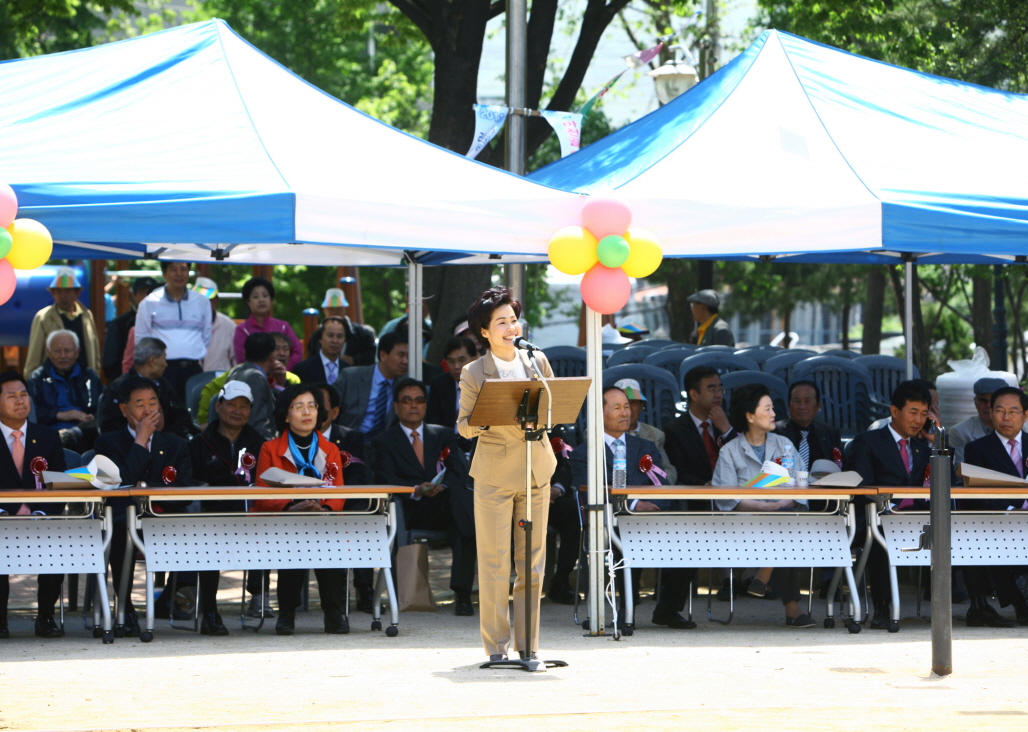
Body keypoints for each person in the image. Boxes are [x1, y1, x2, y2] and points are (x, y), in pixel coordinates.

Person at [457, 286, 557, 662]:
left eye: (513, 320)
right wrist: (491, 414)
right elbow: (464, 426)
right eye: (501, 322)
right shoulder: (473, 372)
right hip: (495, 476)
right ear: (484, 331)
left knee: (532, 564)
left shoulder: (537, 360)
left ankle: (529, 646)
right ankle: (495, 648)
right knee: (496, 564)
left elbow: (555, 410)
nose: (510, 327)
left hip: (536, 472)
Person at [570, 387, 695, 630]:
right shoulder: (585, 453)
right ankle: (623, 613)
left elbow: (662, 484)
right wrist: (635, 504)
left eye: (626, 407)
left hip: (650, 519)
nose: (625, 413)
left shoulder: (645, 447)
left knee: (689, 542)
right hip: (607, 522)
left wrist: (654, 506)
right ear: (599, 413)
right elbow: (589, 492)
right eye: (616, 408)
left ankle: (667, 610)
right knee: (625, 541)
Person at [94, 376, 195, 636]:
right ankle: (124, 607)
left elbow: (184, 494)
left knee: (200, 530)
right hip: (123, 520)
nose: (149, 410)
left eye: (153, 402)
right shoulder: (108, 443)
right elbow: (118, 485)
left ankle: (181, 603)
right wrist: (140, 442)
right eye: (140, 404)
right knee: (119, 530)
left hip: (162, 519)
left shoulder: (176, 444)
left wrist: (146, 491)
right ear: (124, 410)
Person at [711, 383, 813, 627]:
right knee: (786, 525)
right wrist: (762, 506)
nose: (773, 414)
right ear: (749, 416)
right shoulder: (730, 451)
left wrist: (782, 502)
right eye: (767, 409)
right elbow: (725, 498)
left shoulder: (784, 444)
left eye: (773, 408)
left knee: (785, 520)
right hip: (743, 525)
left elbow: (800, 483)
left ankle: (763, 573)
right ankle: (791, 608)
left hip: (782, 516)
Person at [371, 378, 476, 617]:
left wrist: (443, 486)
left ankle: (462, 595)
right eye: (407, 401)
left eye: (419, 400)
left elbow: (458, 472)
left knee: (458, 509)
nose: (414, 406)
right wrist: (417, 489)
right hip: (411, 509)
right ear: (396, 406)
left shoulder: (443, 435)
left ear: (426, 405)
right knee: (465, 516)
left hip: (444, 505)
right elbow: (385, 479)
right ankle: (478, 527)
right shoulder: (383, 442)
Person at [252, 385, 349, 636]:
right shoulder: (269, 449)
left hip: (323, 518)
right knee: (294, 537)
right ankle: (286, 612)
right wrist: (291, 506)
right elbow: (261, 494)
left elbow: (338, 492)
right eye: (299, 406)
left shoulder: (331, 449)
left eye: (312, 406)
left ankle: (333, 612)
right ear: (286, 415)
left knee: (327, 538)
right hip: (284, 520)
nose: (307, 412)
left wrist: (323, 508)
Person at [845, 380, 936, 630]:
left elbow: (942, 482)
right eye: (913, 412)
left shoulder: (923, 447)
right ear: (894, 411)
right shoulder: (869, 441)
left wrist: (937, 443)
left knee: (957, 529)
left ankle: (975, 605)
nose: (918, 420)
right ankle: (883, 608)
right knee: (881, 533)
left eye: (923, 414)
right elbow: (861, 488)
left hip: (915, 518)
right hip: (873, 517)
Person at [188, 381, 266, 635]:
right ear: (218, 406)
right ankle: (209, 611)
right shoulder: (199, 443)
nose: (237, 410)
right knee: (207, 537)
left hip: (251, 516)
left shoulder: (260, 443)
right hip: (211, 516)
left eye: (244, 406)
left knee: (270, 527)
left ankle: (263, 598)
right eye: (231, 404)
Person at [0, 371, 68, 639]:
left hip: (41, 519)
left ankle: (46, 618)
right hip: (1, 519)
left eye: (24, 395)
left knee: (58, 543)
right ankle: (0, 621)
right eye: (12, 396)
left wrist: (41, 512)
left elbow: (59, 482)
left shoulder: (48, 437)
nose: (20, 401)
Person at [959, 385, 1028, 627]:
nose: (1006, 417)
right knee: (981, 536)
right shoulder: (977, 449)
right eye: (1000, 410)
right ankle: (1020, 603)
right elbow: (977, 493)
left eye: (1013, 411)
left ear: (1026, 415)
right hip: (998, 518)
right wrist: (1011, 510)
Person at [313, 383, 374, 614]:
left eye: (320, 406)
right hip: (307, 503)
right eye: (310, 405)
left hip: (343, 501)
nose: (314, 412)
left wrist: (333, 499)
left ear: (334, 412)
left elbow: (357, 478)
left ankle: (364, 588)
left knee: (362, 513)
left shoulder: (350, 438)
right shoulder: (297, 438)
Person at [134, 261, 212, 400]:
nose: (179, 274)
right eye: (173, 269)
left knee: (193, 415)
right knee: (165, 415)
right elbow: (141, 339)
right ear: (164, 273)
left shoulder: (202, 301)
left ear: (189, 272)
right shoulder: (149, 302)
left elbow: (206, 336)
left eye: (183, 269)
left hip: (193, 369)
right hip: (163, 370)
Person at [97, 337, 197, 439]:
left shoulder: (164, 384)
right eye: (164, 358)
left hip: (167, 443)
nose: (166, 364)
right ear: (152, 361)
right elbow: (109, 426)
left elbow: (181, 417)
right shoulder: (118, 387)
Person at [27, 330, 102, 452]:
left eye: (67, 351)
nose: (62, 356)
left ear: (77, 352)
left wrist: (91, 416)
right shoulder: (36, 378)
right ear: (48, 352)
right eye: (57, 351)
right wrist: (61, 415)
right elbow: (30, 412)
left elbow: (104, 405)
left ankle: (73, 434)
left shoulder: (89, 376)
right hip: (51, 435)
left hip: (87, 433)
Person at [664, 366, 736, 488]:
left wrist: (727, 430)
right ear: (694, 395)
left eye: (720, 389)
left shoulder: (730, 422)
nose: (719, 395)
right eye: (712, 390)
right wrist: (703, 486)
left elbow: (746, 460)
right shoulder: (674, 430)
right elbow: (680, 473)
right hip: (700, 498)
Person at [25, 267, 100, 375]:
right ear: (53, 293)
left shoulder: (87, 316)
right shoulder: (44, 317)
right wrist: (32, 382)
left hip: (83, 381)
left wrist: (95, 377)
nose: (63, 296)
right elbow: (34, 356)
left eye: (68, 291)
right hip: (52, 382)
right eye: (59, 291)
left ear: (77, 293)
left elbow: (95, 353)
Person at [334, 331, 409, 437]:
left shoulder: (405, 385)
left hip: (383, 446)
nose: (405, 361)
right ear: (383, 355)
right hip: (349, 442)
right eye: (401, 355)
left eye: (408, 356)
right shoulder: (351, 377)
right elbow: (329, 410)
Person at [614, 377, 677, 485]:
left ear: (641, 405)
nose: (628, 409)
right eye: (622, 404)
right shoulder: (598, 434)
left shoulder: (655, 435)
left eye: (633, 403)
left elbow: (669, 472)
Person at [544, 426, 582, 605]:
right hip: (513, 498)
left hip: (549, 500)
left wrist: (556, 489)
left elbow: (564, 466)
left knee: (574, 511)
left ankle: (561, 579)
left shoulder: (552, 430)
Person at [232, 276, 302, 370]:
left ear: (271, 299)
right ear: (248, 302)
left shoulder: (283, 327)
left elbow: (297, 352)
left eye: (265, 296)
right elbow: (241, 360)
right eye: (255, 297)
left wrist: (283, 370)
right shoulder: (242, 330)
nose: (261, 300)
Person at [775, 380, 843, 469]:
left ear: (818, 406)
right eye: (797, 401)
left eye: (807, 401)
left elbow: (840, 468)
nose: (802, 407)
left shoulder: (830, 434)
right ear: (789, 405)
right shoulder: (775, 432)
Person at [102, 276, 158, 380]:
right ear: (133, 296)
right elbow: (109, 362)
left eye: (151, 293)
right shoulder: (119, 323)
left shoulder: (166, 323)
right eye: (143, 292)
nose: (147, 297)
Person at [425, 335, 478, 446]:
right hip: (449, 446)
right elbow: (433, 423)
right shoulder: (439, 384)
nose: (456, 366)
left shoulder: (486, 383)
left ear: (475, 359)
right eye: (451, 361)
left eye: (461, 360)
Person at [225, 332, 278, 440]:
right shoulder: (255, 378)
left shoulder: (235, 372)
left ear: (245, 354)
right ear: (272, 356)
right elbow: (257, 423)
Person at [308, 289, 378, 367]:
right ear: (324, 310)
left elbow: (372, 358)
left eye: (338, 308)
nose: (334, 312)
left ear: (345, 309)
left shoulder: (363, 335)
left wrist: (354, 360)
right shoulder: (316, 336)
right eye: (331, 309)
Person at [950, 377, 1006, 466]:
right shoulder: (961, 432)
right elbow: (961, 471)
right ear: (975, 402)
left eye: (993, 400)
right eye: (983, 400)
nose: (988, 405)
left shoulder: (1022, 428)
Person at [192, 277, 236, 373]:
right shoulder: (186, 324)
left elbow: (235, 361)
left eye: (206, 301)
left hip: (221, 382)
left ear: (215, 302)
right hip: (193, 382)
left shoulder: (228, 325)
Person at [294, 316, 349, 386]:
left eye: (339, 336)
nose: (335, 341)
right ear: (320, 338)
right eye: (330, 335)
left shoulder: (349, 370)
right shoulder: (302, 369)